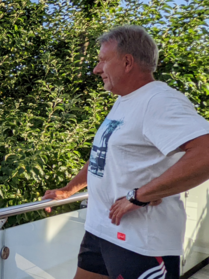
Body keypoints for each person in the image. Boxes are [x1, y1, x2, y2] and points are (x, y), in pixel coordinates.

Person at [42, 25, 209, 279]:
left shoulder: (159, 101)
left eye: (102, 61)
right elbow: (103, 155)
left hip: (141, 242)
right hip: (100, 230)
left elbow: (205, 153)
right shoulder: (125, 101)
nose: (97, 69)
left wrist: (140, 195)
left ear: (127, 62)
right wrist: (69, 190)